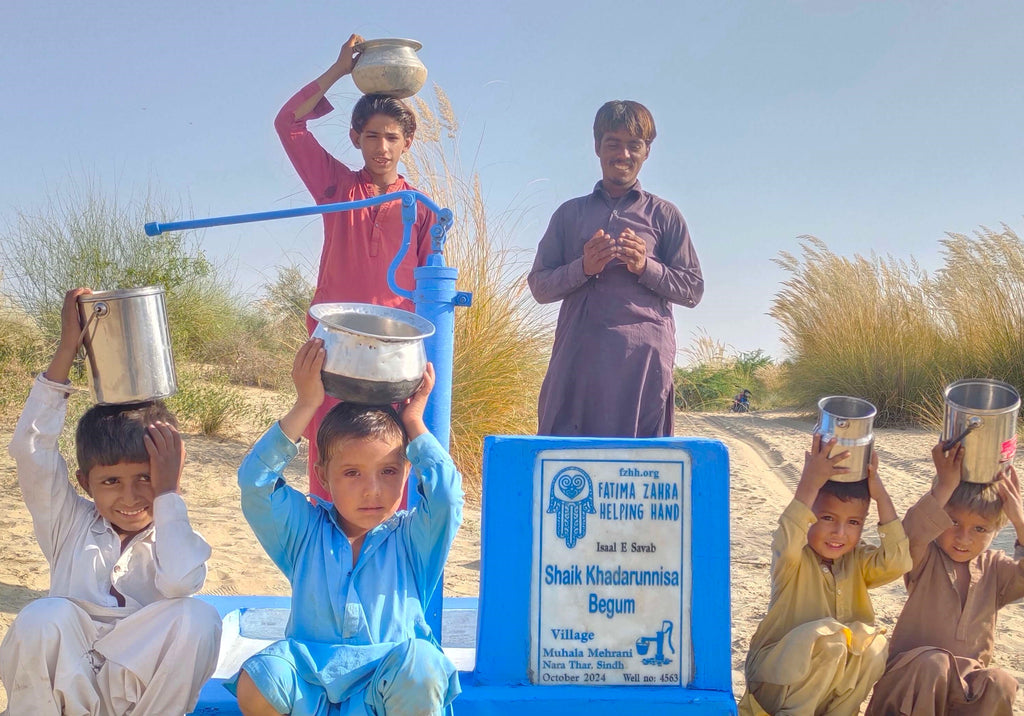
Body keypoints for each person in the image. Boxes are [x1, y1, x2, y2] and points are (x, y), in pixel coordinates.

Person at [0, 288, 222, 715]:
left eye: (145, 477)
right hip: (67, 684)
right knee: (44, 617)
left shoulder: (173, 531)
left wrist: (168, 496)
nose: (130, 495)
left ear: (168, 475)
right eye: (111, 481)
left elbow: (179, 583)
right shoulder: (68, 523)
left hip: (136, 692)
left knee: (198, 618)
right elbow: (31, 451)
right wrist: (68, 349)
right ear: (84, 482)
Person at [228, 338, 462, 715]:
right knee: (261, 677)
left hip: (387, 685)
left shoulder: (413, 538)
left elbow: (447, 497)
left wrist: (414, 421)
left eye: (388, 471)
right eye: (351, 473)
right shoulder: (304, 530)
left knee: (424, 667)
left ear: (406, 472)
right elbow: (255, 482)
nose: (373, 490)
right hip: (312, 680)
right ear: (323, 475)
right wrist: (306, 404)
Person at [276, 32, 435, 498]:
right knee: (330, 461)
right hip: (333, 350)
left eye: (391, 137)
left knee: (389, 466)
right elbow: (289, 123)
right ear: (355, 138)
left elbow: (429, 297)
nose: (381, 147)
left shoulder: (422, 208)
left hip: (394, 355)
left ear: (408, 141)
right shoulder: (336, 188)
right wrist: (340, 70)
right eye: (371, 136)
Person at [528, 100, 704, 438]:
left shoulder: (664, 216)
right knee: (568, 464)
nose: (623, 154)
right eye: (613, 143)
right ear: (597, 147)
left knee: (640, 466)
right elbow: (539, 286)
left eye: (634, 145)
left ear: (647, 151)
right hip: (579, 360)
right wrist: (583, 267)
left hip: (643, 363)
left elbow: (693, 289)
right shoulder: (569, 214)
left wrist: (645, 267)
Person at [738, 434, 912, 716]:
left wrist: (879, 494)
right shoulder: (793, 559)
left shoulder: (857, 560)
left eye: (853, 522)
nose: (839, 533)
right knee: (830, 641)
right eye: (828, 518)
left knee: (875, 646)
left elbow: (897, 561)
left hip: (829, 689)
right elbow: (790, 529)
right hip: (777, 685)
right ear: (810, 515)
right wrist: (810, 482)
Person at [865, 443, 1024, 715]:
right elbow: (910, 534)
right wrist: (945, 486)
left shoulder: (996, 569)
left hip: (963, 689)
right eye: (953, 523)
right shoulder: (925, 556)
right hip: (913, 681)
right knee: (935, 664)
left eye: (979, 528)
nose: (963, 538)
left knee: (999, 681)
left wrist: (1020, 522)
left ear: (997, 530)